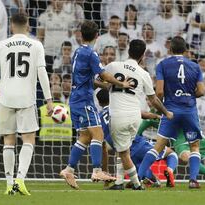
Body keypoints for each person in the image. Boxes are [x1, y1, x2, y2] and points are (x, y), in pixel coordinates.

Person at [59, 20, 134, 190]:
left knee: (84, 137)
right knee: (98, 134)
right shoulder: (90, 54)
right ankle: (97, 170)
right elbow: (104, 74)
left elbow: (89, 79)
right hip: (84, 101)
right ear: (97, 36)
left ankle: (69, 169)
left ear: (81, 34)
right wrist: (120, 84)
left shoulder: (77, 52)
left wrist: (104, 85)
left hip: (75, 99)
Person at [0, 13, 54, 195]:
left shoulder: (1, 44)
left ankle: (9, 185)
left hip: (6, 97)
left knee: (8, 141)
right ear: (28, 26)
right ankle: (20, 179)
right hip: (26, 99)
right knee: (28, 139)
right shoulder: (36, 45)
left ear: (11, 27)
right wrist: (49, 100)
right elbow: (42, 73)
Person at [102, 39, 173, 190]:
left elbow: (98, 81)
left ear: (128, 51)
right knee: (123, 150)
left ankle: (137, 184)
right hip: (135, 117)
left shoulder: (114, 66)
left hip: (118, 115)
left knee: (124, 153)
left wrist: (113, 83)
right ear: (142, 55)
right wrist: (166, 112)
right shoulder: (144, 74)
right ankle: (119, 182)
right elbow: (153, 99)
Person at [138, 36, 205, 189]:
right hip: (189, 111)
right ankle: (193, 180)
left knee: (158, 147)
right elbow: (201, 91)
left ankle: (139, 178)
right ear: (186, 50)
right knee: (194, 146)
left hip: (170, 111)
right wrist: (187, 95)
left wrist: (160, 106)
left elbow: (159, 92)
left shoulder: (163, 65)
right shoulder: (195, 66)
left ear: (170, 49)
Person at [96, 89, 178, 190]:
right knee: (171, 153)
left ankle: (149, 179)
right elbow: (142, 114)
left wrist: (105, 171)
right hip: (138, 144)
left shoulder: (98, 119)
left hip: (125, 155)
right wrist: (156, 116)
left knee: (139, 167)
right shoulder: (119, 107)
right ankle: (169, 170)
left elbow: (103, 146)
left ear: (99, 102)